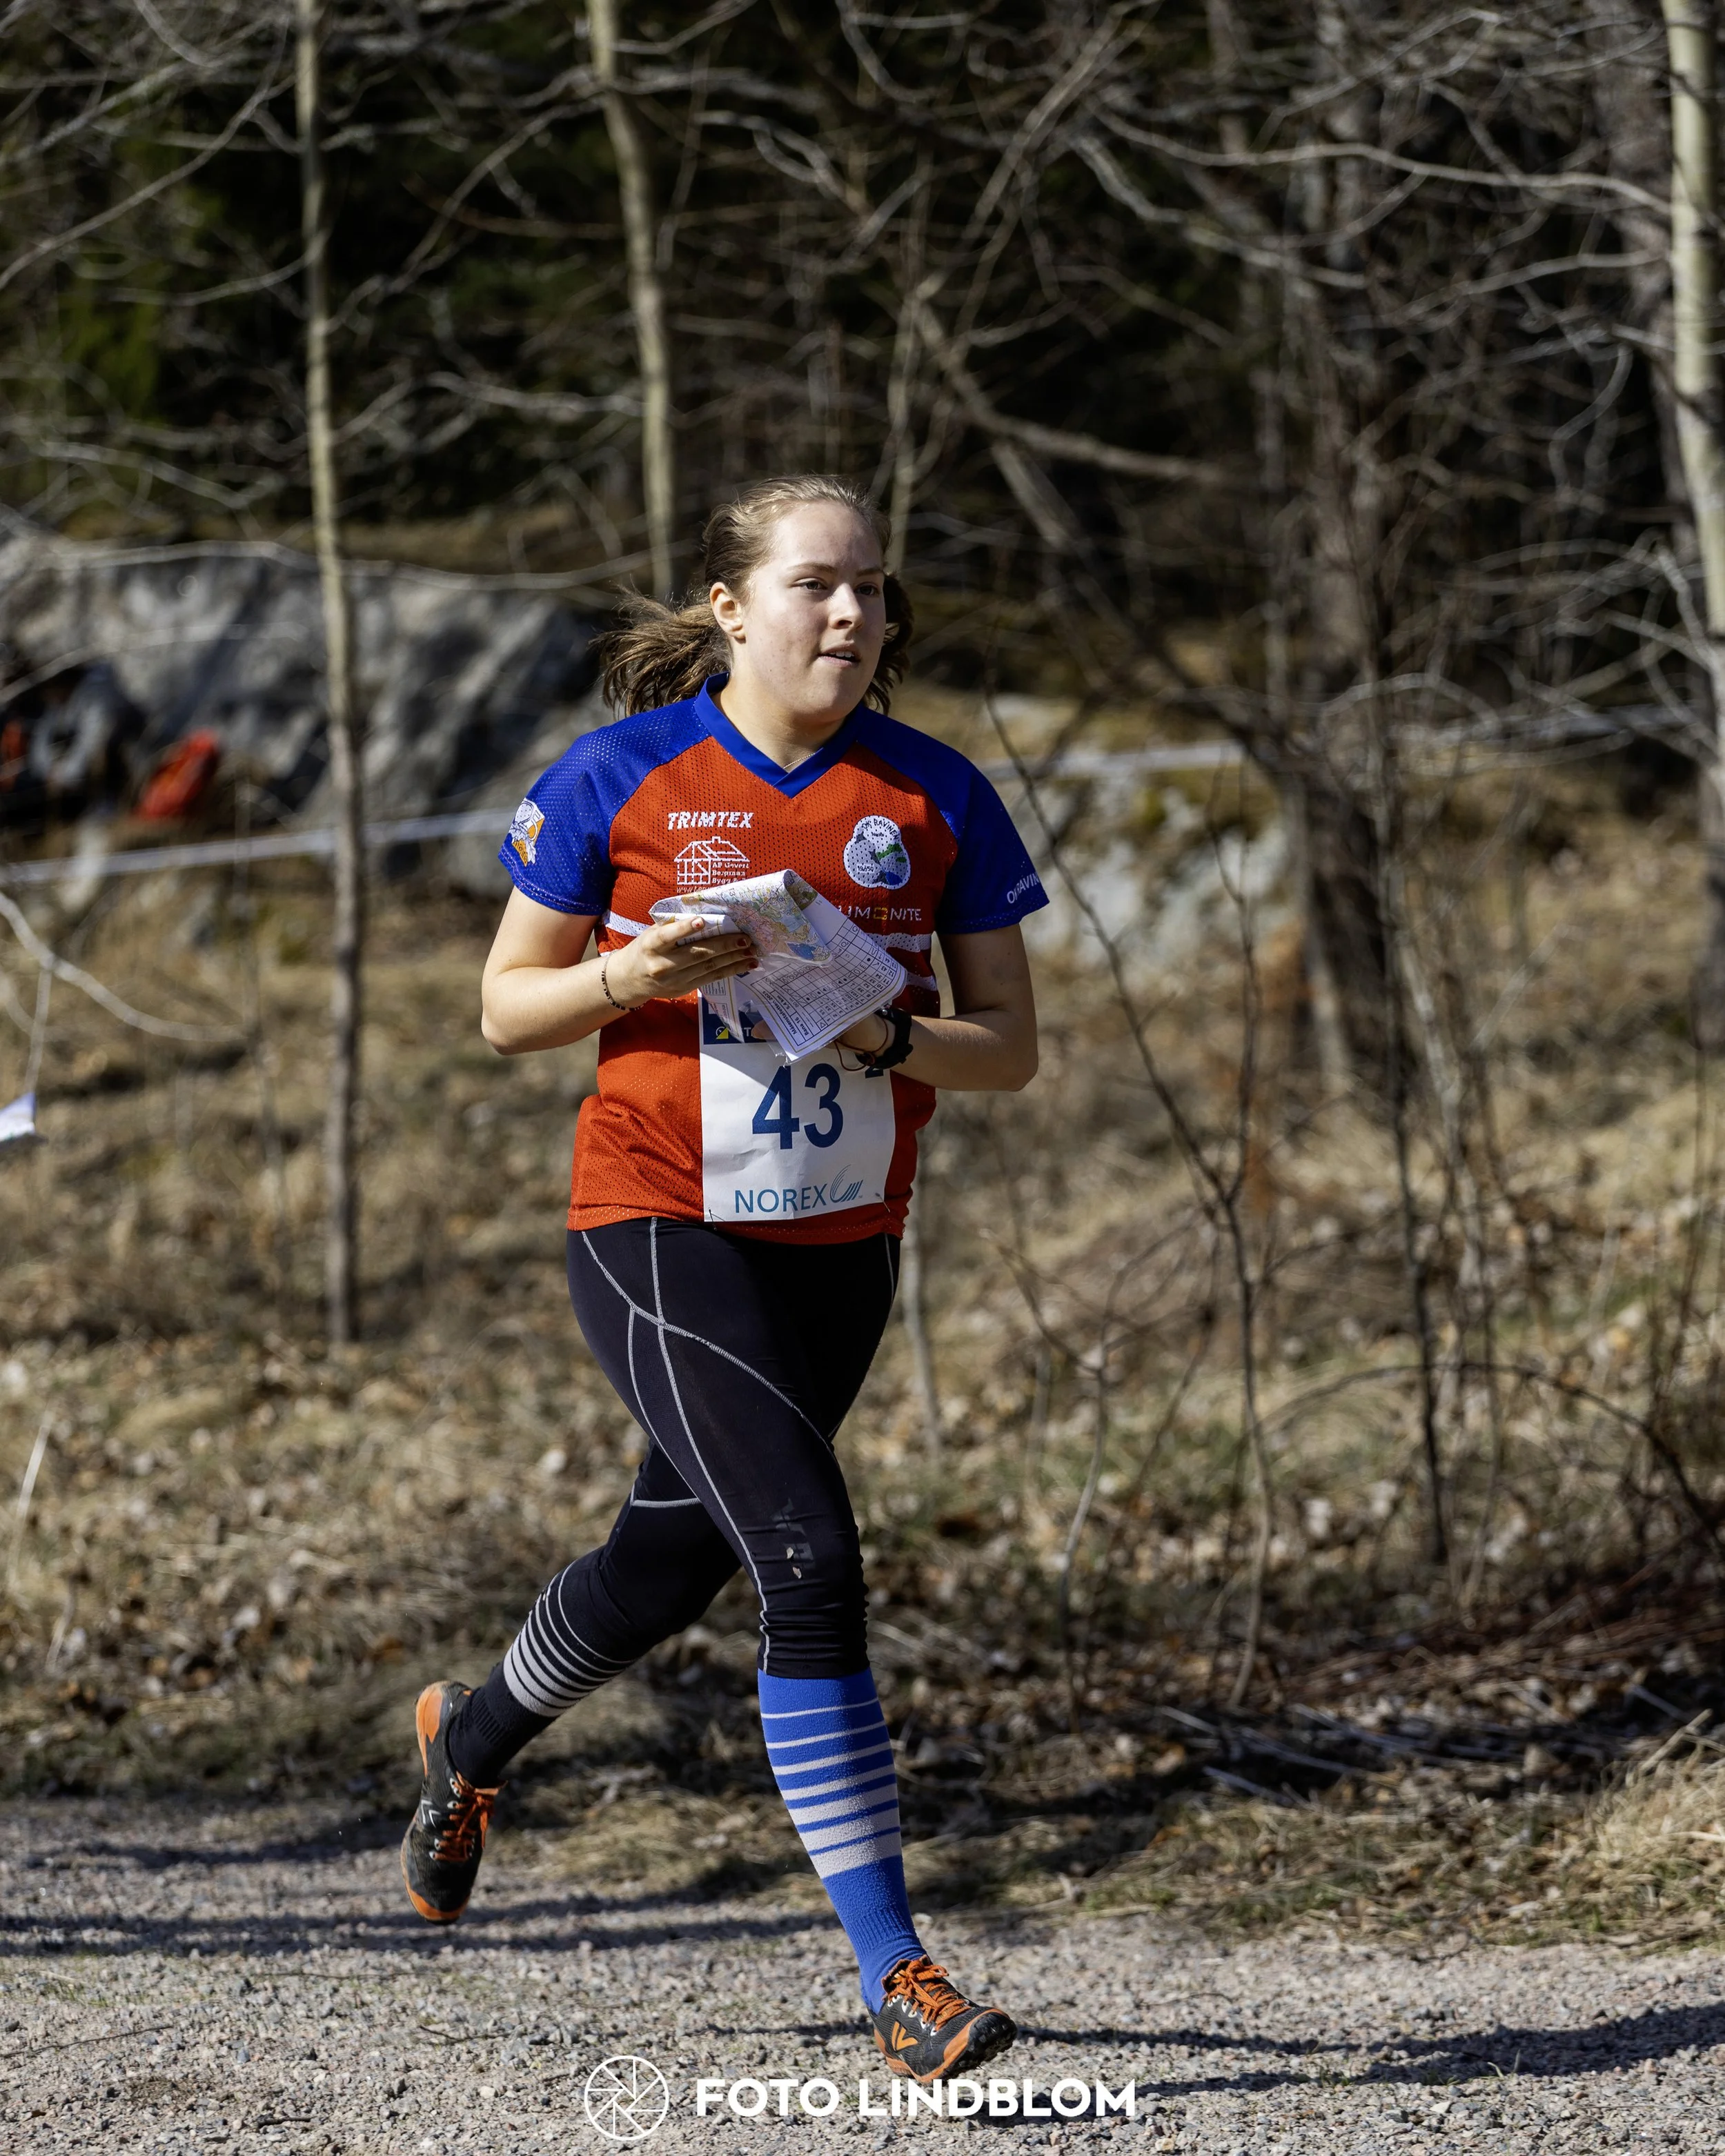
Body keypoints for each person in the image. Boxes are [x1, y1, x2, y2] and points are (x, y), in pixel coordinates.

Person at [399, 474, 1046, 2084]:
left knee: (661, 1565)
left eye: (875, 590)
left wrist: (884, 1026)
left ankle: (465, 1743)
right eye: (819, 585)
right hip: (656, 1221)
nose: (852, 616)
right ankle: (897, 1970)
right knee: (809, 1560)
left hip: (839, 1241)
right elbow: (503, 1007)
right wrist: (634, 971)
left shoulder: (933, 792)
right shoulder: (622, 775)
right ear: (730, 608)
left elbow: (1011, 1049)